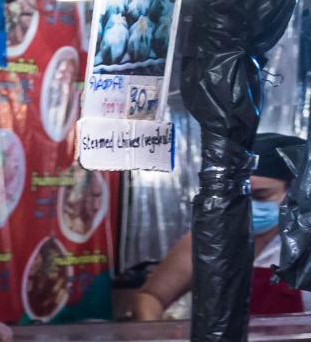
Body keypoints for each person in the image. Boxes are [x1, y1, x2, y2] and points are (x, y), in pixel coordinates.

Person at [123, 133, 307, 319]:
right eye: (237, 196)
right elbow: (151, 297)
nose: (246, 206)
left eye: (261, 196)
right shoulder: (209, 239)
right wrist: (152, 331)